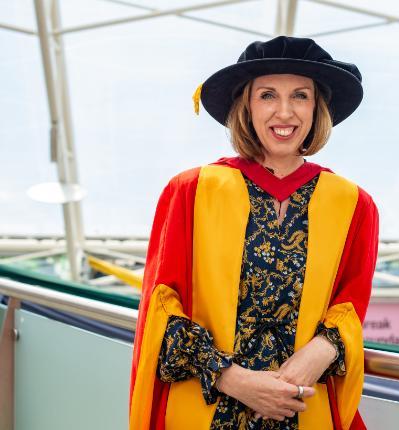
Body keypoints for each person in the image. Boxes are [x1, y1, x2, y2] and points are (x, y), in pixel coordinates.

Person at [129, 35, 380, 430]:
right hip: (204, 411)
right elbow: (162, 311)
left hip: (305, 411)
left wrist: (320, 349)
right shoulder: (192, 191)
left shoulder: (353, 205)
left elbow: (350, 308)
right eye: (267, 95)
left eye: (300, 95)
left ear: (317, 109)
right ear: (246, 105)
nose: (285, 112)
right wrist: (235, 380)